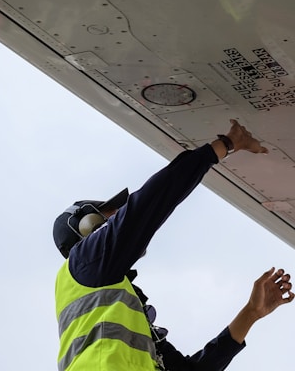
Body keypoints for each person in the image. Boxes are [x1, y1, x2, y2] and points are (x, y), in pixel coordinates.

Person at [53, 119, 294, 371]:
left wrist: (251, 313)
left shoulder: (116, 305)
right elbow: (151, 202)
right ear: (88, 227)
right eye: (113, 213)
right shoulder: (84, 261)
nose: (120, 216)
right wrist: (225, 145)